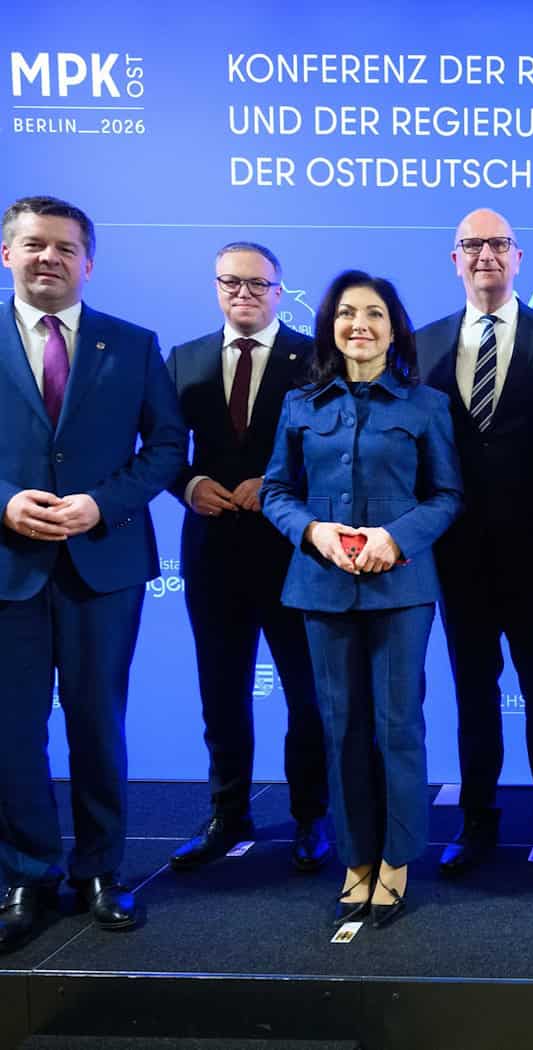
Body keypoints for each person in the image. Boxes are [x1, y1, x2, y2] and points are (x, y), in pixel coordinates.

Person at [0, 195, 185, 949]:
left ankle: (101, 870)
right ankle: (27, 874)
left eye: (65, 247)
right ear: (7, 253)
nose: (49, 257)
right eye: (34, 244)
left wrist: (100, 504)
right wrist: (5, 502)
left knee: (98, 723)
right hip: (8, 566)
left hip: (102, 566)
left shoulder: (132, 344)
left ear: (89, 262)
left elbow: (168, 447)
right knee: (11, 731)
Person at [262, 271, 462, 928]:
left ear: (394, 327)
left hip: (401, 589)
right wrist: (312, 531)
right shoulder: (301, 404)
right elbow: (276, 491)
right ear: (330, 325)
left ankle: (397, 859)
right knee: (340, 725)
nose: (360, 325)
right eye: (348, 313)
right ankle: (355, 858)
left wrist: (396, 538)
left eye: (374, 313)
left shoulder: (426, 405)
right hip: (320, 586)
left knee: (398, 726)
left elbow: (447, 496)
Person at [417, 209, 533, 878]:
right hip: (456, 555)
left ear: (518, 257)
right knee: (473, 693)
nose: (485, 254)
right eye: (471, 245)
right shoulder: (421, 344)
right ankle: (477, 821)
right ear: (454, 259)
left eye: (498, 244)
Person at [166, 242, 330, 873]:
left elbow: (332, 446)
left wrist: (279, 483)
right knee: (221, 691)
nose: (244, 293)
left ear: (278, 291)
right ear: (216, 287)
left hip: (292, 552)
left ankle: (310, 816)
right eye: (231, 282)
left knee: (307, 696)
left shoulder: (314, 357)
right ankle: (227, 812)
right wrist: (187, 485)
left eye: (258, 284)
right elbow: (159, 448)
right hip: (212, 551)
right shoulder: (184, 359)